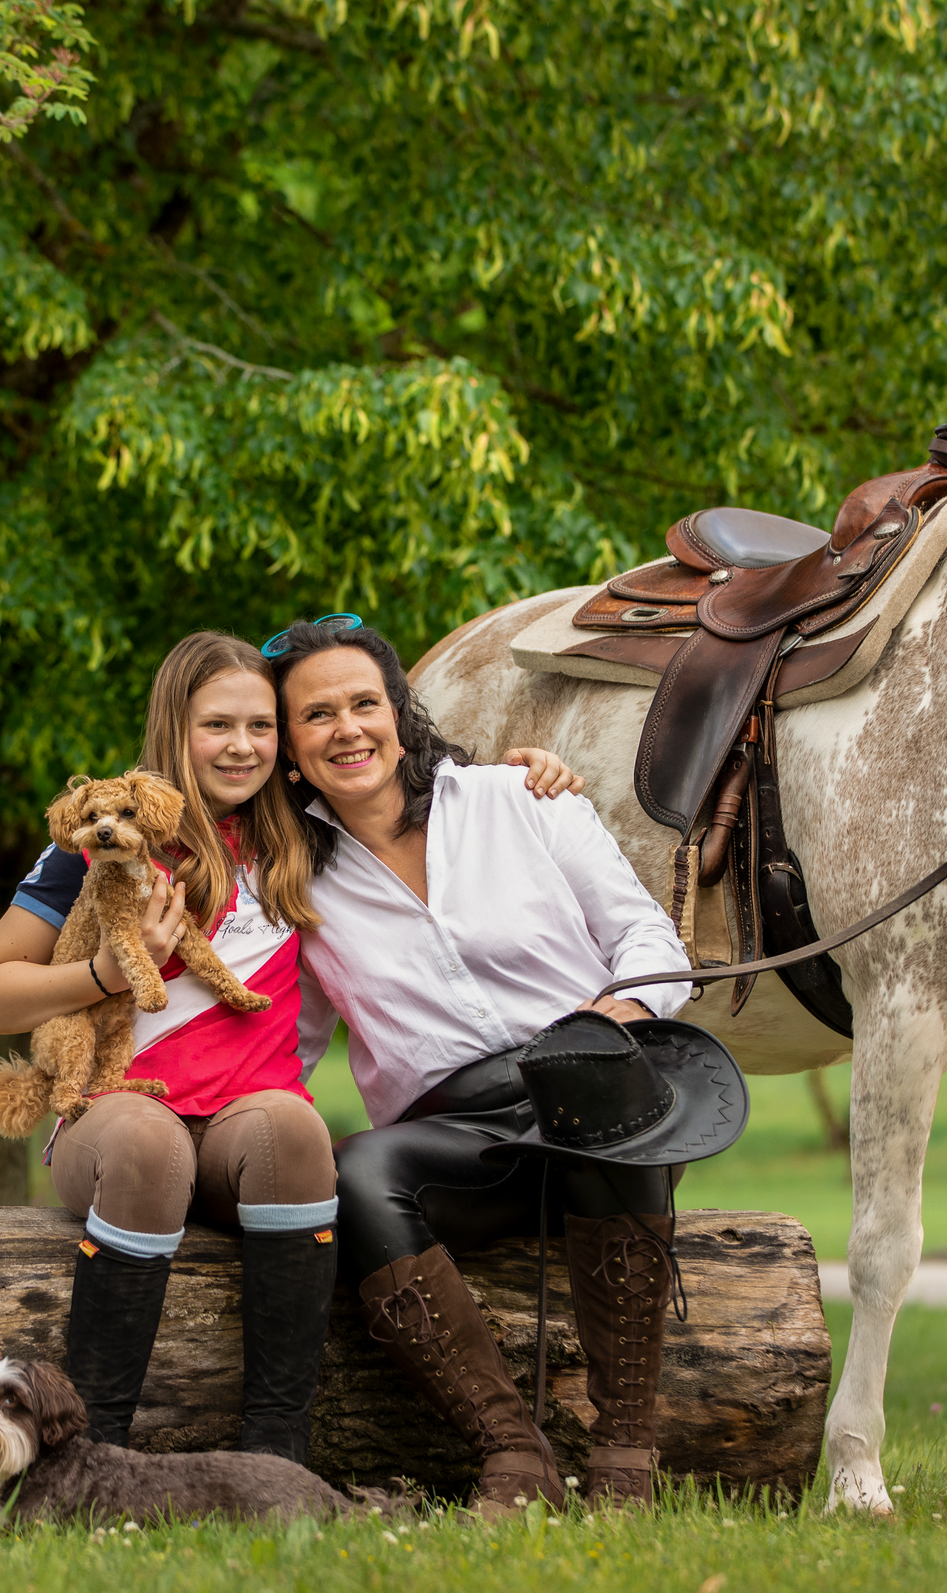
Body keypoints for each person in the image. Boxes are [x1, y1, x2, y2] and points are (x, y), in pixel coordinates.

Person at [0, 629, 584, 1463]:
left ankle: (274, 1461)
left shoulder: (306, 833)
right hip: (118, 1119)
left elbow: (412, 796)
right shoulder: (106, 838)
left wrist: (523, 774)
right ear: (175, 728)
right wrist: (104, 972)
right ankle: (86, 1462)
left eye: (262, 725)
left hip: (245, 1130)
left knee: (295, 1128)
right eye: (218, 725)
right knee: (149, 1142)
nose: (242, 746)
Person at [267, 616, 712, 1516]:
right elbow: (285, 1043)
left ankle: (626, 1452)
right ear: (290, 750)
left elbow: (648, 939)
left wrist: (622, 1011)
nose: (348, 728)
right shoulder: (293, 882)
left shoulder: (521, 800)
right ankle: (512, 1452)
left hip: (585, 1083)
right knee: (354, 1169)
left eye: (365, 702)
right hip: (457, 1140)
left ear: (399, 712)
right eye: (317, 715)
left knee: (605, 1102)